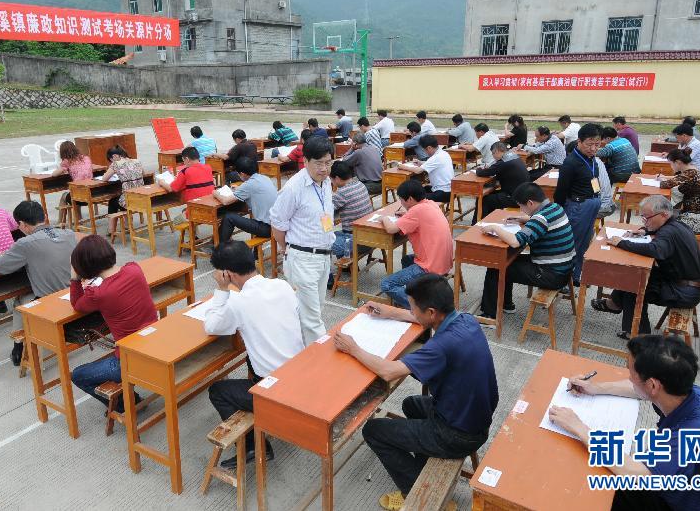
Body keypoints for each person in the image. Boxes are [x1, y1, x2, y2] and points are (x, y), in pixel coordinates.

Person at [335, 274, 497, 510]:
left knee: (373, 430)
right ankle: (423, 463)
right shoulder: (465, 320)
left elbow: (389, 371)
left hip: (458, 434)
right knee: (411, 404)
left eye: (412, 307)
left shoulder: (440, 347)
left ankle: (413, 492)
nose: (409, 310)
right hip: (475, 418)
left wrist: (353, 348)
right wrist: (390, 313)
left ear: (431, 312)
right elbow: (422, 319)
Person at [548, 335, 700, 511]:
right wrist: (595, 388)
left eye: (631, 372)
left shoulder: (695, 433)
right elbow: (637, 389)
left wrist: (580, 428)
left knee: (601, 490)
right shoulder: (685, 393)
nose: (629, 377)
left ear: (652, 385)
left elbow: (636, 474)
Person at [204, 241, 305, 469]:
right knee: (252, 355)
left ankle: (252, 446)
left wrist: (221, 291)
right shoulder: (281, 286)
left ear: (226, 274)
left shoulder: (237, 302)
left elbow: (211, 326)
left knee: (218, 390)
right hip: (299, 374)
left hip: (276, 390)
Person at [592, 195, 700, 338]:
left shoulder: (668, 233)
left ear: (663, 215)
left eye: (647, 218)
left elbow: (655, 249)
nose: (644, 221)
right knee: (634, 276)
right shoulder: (675, 220)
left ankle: (639, 335)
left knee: (635, 285)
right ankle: (615, 304)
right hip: (684, 282)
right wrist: (645, 231)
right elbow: (659, 232)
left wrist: (621, 243)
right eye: (643, 217)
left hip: (684, 291)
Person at [69, 235, 157, 412]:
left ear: (84, 266)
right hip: (155, 343)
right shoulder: (134, 269)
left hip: (129, 359)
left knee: (78, 375)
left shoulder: (98, 294)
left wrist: (74, 278)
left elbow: (77, 305)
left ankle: (127, 405)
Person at [0, 201, 76, 366]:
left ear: (22, 224)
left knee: (19, 301)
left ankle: (18, 347)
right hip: (73, 293)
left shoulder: (25, 244)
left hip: (52, 303)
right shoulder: (69, 233)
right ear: (44, 217)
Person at [269, 137, 335, 343]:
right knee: (313, 319)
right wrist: (284, 248)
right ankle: (321, 365)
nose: (324, 169)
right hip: (303, 257)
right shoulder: (294, 188)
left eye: (328, 162)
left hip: (324, 255)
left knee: (314, 309)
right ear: (305, 161)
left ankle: (298, 351)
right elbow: (278, 224)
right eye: (319, 163)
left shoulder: (325, 182)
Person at [478, 183, 576, 319]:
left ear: (530, 203)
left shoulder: (540, 219)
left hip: (551, 275)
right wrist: (526, 219)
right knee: (507, 261)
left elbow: (515, 241)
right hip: (564, 269)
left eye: (521, 206)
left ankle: (489, 315)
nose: (521, 209)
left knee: (497, 266)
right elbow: (543, 223)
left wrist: (495, 228)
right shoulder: (555, 207)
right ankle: (506, 304)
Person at [379, 180, 454, 309]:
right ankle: (415, 293)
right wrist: (407, 214)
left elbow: (391, 229)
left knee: (386, 284)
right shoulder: (430, 204)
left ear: (410, 199)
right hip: (443, 261)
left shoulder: (416, 211)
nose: (401, 203)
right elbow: (418, 218)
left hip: (430, 267)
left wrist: (384, 218)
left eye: (401, 200)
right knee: (407, 260)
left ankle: (420, 307)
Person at [554, 123, 603, 286]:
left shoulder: (591, 158)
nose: (594, 148)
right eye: (590, 144)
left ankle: (576, 274)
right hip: (578, 206)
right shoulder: (570, 162)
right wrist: (559, 212)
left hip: (591, 203)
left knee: (584, 242)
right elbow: (561, 191)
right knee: (573, 243)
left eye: (597, 144)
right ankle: (563, 280)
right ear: (579, 142)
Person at [214, 157, 277, 243]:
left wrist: (215, 193)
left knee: (229, 217)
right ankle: (255, 255)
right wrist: (240, 189)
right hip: (276, 224)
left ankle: (219, 249)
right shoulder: (264, 178)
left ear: (243, 174)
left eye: (238, 174)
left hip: (266, 228)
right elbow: (252, 189)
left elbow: (225, 201)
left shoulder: (249, 185)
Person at [658, 149, 700, 238]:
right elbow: (677, 179)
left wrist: (662, 180)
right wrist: (666, 178)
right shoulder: (693, 169)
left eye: (671, 163)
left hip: (696, 219)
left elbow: (665, 184)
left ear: (677, 162)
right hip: (697, 214)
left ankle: (667, 244)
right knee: (663, 213)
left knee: (660, 217)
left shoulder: (690, 174)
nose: (671, 166)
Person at [329, 160, 373, 269]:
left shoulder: (342, 193)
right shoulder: (360, 184)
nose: (330, 182)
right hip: (369, 235)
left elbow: (325, 210)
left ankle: (328, 277)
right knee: (335, 233)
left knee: (321, 240)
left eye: (331, 179)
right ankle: (348, 267)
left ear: (337, 178)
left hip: (357, 241)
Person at [159, 146, 216, 225]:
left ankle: (193, 236)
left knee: (176, 222)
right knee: (185, 210)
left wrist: (161, 182)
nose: (183, 163)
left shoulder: (185, 171)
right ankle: (194, 235)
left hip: (195, 209)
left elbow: (171, 188)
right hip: (210, 205)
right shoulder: (208, 168)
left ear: (187, 159)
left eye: (183, 160)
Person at [474, 141, 530, 220]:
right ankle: (489, 220)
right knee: (488, 195)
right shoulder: (514, 155)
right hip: (522, 194)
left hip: (515, 198)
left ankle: (478, 224)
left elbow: (483, 172)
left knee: (484, 199)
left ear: (496, 151)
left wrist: (478, 169)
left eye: (493, 154)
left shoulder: (503, 161)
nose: (493, 157)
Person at [103, 145, 146, 235]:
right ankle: (127, 225)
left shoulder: (116, 164)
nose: (111, 161)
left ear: (115, 156)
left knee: (112, 201)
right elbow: (143, 173)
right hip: (141, 196)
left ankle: (111, 230)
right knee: (120, 197)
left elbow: (104, 178)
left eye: (110, 159)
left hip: (129, 199)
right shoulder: (136, 161)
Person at [53, 141, 93, 227]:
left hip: (81, 195)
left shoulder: (67, 161)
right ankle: (79, 218)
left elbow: (54, 174)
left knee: (65, 195)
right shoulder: (85, 158)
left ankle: (60, 221)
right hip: (91, 191)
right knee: (74, 192)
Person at [404, 134, 452, 204]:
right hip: (449, 190)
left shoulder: (435, 158)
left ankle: (419, 213)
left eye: (424, 150)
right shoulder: (444, 153)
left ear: (429, 148)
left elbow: (418, 171)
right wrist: (421, 162)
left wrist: (402, 166)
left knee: (414, 197)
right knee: (420, 189)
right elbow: (433, 163)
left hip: (443, 193)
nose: (425, 153)